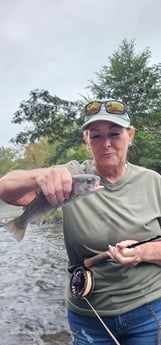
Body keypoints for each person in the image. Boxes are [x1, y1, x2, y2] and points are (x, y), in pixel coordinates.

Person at [1, 99, 161, 345]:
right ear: (87, 140)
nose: (106, 143)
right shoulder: (72, 175)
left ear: (130, 135)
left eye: (115, 134)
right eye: (96, 136)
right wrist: (42, 176)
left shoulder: (153, 182)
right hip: (88, 314)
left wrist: (144, 252)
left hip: (149, 310)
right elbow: (6, 189)